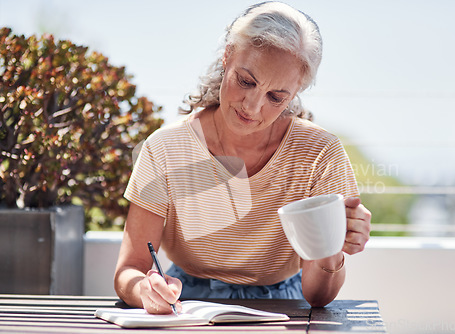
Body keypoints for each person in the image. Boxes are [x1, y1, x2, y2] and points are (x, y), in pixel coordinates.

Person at [114, 1, 371, 315]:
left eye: (276, 97)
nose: (252, 106)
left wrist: (334, 247)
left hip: (285, 305)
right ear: (227, 56)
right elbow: (129, 270)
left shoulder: (320, 154)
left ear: (297, 90)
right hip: (186, 301)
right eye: (246, 81)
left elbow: (318, 297)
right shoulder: (165, 148)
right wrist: (147, 290)